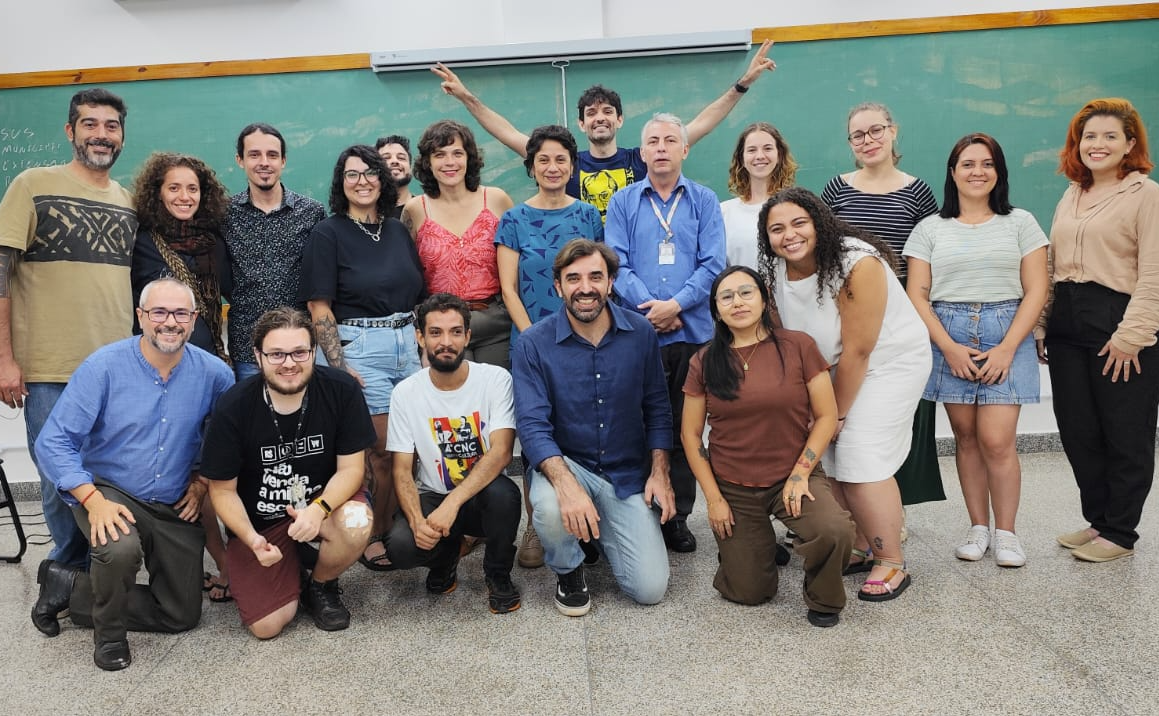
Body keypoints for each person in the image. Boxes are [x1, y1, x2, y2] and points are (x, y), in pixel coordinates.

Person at [30, 278, 234, 670]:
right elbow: (53, 441)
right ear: (140, 316)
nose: (170, 322)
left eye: (180, 313)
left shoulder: (214, 374)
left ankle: (69, 586)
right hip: (110, 489)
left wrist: (202, 482)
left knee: (181, 614)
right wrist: (93, 501)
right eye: (159, 312)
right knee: (118, 547)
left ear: (194, 319)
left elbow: (227, 440)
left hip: (173, 499)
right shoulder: (103, 367)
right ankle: (109, 636)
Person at [758, 187, 930, 602]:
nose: (789, 235)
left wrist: (833, 416)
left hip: (888, 363)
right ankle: (861, 545)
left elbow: (858, 351)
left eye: (799, 223)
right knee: (831, 458)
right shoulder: (774, 270)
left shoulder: (857, 263)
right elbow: (786, 338)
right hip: (832, 367)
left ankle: (891, 560)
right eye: (777, 229)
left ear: (819, 222)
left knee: (860, 453)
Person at [0, 88, 137, 570]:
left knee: (107, 473)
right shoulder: (32, 185)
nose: (101, 134)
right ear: (70, 130)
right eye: (90, 124)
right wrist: (4, 359)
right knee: (60, 476)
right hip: (49, 368)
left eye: (111, 126)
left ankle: (103, 567)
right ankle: (68, 571)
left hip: (115, 367)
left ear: (122, 136)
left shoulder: (128, 202)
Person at [903, 133, 1049, 568]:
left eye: (987, 164)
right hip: (948, 333)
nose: (977, 172)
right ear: (953, 173)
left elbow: (1037, 289)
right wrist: (947, 347)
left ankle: (1007, 533)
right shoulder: (930, 228)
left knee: (997, 440)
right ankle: (978, 527)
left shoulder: (1021, 222)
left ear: (999, 172)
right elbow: (917, 294)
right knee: (965, 437)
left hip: (1007, 329)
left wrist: (1007, 348)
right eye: (968, 164)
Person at [682, 266, 853, 627]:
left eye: (746, 292)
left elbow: (826, 416)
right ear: (716, 311)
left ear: (764, 300)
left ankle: (823, 597)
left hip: (792, 475)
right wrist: (714, 499)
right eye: (726, 297)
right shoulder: (704, 360)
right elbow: (691, 435)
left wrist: (801, 474)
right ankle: (754, 548)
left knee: (834, 530)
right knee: (749, 591)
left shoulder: (798, 346)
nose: (737, 302)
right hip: (733, 485)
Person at [431, 40, 776, 218]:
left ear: (620, 120)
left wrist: (742, 84)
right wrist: (466, 97)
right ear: (581, 123)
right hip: (583, 269)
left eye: (608, 111)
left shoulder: (643, 158)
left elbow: (702, 123)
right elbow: (506, 132)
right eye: (591, 113)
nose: (600, 118)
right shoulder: (564, 163)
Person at [512, 239, 675, 616]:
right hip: (566, 462)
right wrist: (566, 485)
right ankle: (569, 570)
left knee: (649, 589)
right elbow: (532, 425)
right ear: (558, 286)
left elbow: (657, 407)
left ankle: (594, 532)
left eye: (595, 277)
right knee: (550, 508)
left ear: (611, 282)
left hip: (624, 473)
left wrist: (660, 472)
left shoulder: (640, 332)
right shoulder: (533, 343)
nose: (585, 288)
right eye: (573, 278)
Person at [201, 307, 376, 637]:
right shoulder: (234, 406)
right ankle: (291, 563)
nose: (289, 363)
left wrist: (318, 509)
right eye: (277, 354)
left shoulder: (341, 390)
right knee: (267, 626)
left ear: (313, 352)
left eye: (299, 352)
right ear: (258, 356)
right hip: (261, 521)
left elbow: (352, 470)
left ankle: (321, 586)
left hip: (322, 506)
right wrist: (252, 540)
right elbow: (221, 490)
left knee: (356, 522)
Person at [820, 101, 945, 536]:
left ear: (893, 132)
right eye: (858, 135)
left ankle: (892, 516)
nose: (868, 140)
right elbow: (822, 251)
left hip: (897, 325)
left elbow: (925, 261)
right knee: (846, 424)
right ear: (850, 143)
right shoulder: (836, 190)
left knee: (889, 426)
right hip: (842, 321)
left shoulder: (918, 192)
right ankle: (849, 523)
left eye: (876, 130)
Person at [299, 144, 425, 572]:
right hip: (360, 347)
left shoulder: (397, 231)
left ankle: (396, 521)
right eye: (351, 174)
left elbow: (416, 293)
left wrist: (421, 348)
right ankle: (373, 533)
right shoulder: (328, 233)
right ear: (341, 183)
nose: (362, 181)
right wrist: (340, 369)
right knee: (381, 452)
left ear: (382, 179)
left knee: (410, 448)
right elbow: (319, 307)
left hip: (407, 343)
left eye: (370, 172)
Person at [1043, 98, 1159, 563]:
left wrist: (1133, 335)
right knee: (1079, 430)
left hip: (1119, 320)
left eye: (1110, 136)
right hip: (1067, 320)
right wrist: (1043, 322)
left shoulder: (1146, 195)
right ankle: (1098, 520)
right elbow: (1053, 263)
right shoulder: (1073, 192)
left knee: (1125, 432)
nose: (1097, 144)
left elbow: (1154, 271)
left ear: (1130, 144)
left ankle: (1121, 532)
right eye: (1089, 136)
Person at [604, 112, 726, 553]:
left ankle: (677, 516)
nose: (661, 147)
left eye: (670, 140)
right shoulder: (622, 202)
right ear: (642, 152)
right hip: (638, 334)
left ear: (685, 149)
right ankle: (637, 513)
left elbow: (714, 263)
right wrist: (652, 311)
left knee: (684, 428)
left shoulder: (705, 200)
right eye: (653, 141)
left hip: (693, 333)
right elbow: (616, 263)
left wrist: (676, 305)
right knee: (636, 425)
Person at [495, 125, 604, 569]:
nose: (553, 167)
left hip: (586, 340)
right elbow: (508, 288)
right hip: (532, 343)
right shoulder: (513, 220)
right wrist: (533, 341)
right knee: (535, 430)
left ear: (572, 166)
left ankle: (590, 515)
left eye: (561, 159)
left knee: (585, 424)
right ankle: (536, 526)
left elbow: (597, 281)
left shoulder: (589, 215)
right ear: (531, 167)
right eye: (543, 159)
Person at [384, 294, 522, 613]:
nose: (446, 342)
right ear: (420, 337)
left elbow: (502, 452)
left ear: (467, 336)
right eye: (435, 332)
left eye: (455, 332)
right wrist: (417, 522)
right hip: (433, 495)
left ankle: (498, 574)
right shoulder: (405, 393)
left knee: (505, 496)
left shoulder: (495, 379)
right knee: (401, 546)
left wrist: (452, 503)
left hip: (482, 498)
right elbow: (401, 470)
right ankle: (445, 559)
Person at [402, 120, 514, 368]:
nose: (449, 162)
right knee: (451, 392)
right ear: (427, 162)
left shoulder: (497, 200)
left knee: (497, 389)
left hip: (495, 322)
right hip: (441, 326)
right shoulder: (415, 210)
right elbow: (407, 276)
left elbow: (517, 263)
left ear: (469, 157)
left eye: (457, 153)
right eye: (439, 154)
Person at [223, 123, 326, 381]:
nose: (264, 162)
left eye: (272, 155)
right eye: (254, 154)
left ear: (283, 161)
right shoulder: (224, 214)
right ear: (240, 160)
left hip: (300, 346)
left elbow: (320, 280)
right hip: (248, 348)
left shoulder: (311, 212)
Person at [131, 152, 231, 360]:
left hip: (205, 360)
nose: (185, 197)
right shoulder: (141, 243)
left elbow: (233, 292)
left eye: (192, 189)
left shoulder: (214, 243)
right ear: (158, 193)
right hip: (154, 360)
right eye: (174, 188)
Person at [721, 122, 798, 268]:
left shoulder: (797, 207)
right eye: (751, 150)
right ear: (742, 158)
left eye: (768, 148)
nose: (760, 156)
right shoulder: (723, 212)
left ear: (779, 155)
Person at [376, 134, 415, 216]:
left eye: (401, 158)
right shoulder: (365, 211)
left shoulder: (425, 209)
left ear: (410, 168)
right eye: (386, 158)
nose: (394, 161)